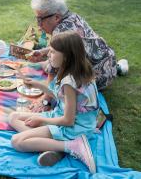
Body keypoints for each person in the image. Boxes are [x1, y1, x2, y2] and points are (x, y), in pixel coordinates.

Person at [8, 31, 99, 174]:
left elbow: (68, 121)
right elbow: (61, 98)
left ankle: (70, 146)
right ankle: (54, 146)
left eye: (52, 52)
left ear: (66, 56)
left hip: (74, 128)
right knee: (13, 117)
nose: (48, 55)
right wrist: (39, 85)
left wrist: (41, 119)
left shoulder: (70, 82)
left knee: (17, 141)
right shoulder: (78, 69)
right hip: (70, 118)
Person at [27, 0, 128, 112]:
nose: (38, 24)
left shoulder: (60, 31)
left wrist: (45, 102)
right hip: (108, 66)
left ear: (57, 17)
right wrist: (43, 52)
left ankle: (121, 68)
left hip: (95, 79)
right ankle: (120, 68)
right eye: (36, 19)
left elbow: (54, 71)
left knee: (52, 74)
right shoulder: (72, 17)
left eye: (40, 19)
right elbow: (67, 47)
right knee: (47, 64)